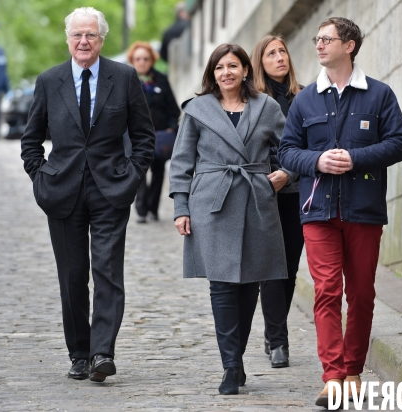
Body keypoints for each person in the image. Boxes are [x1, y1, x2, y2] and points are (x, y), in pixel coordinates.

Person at [278, 17, 402, 408]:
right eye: (317, 39)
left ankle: (354, 370)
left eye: (327, 39)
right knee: (326, 291)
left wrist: (354, 158)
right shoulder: (304, 100)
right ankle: (334, 376)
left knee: (362, 294)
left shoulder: (379, 95)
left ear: (349, 45)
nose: (319, 45)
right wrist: (317, 161)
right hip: (317, 211)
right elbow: (287, 152)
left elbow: (399, 142)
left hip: (363, 210)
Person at [20, 7, 155, 383]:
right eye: (77, 35)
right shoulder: (50, 81)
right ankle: (79, 353)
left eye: (91, 35)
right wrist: (40, 177)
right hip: (62, 192)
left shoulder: (125, 77)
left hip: (111, 189)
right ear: (68, 40)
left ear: (101, 39)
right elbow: (31, 141)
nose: (83, 41)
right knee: (73, 276)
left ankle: (101, 353)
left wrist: (132, 176)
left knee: (108, 273)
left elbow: (144, 137)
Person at [169, 43, 289, 395]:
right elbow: (181, 162)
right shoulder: (197, 109)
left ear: (246, 71)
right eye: (219, 67)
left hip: (255, 199)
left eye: (233, 66)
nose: (226, 73)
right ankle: (231, 365)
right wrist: (181, 207)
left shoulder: (267, 107)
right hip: (212, 203)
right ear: (212, 73)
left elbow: (290, 149)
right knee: (221, 285)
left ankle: (235, 358)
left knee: (250, 284)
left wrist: (284, 174)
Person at [251, 35, 303, 368]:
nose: (279, 57)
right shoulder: (253, 101)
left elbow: (311, 145)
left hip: (297, 193)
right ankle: (278, 339)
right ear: (260, 61)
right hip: (263, 195)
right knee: (271, 268)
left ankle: (273, 332)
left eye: (282, 51)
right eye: (271, 53)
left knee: (291, 269)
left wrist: (290, 173)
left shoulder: (305, 97)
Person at [127, 41, 180, 223]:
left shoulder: (161, 80)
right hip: (136, 137)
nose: (142, 62)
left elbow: (174, 109)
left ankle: (153, 209)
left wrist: (171, 128)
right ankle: (141, 209)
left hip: (160, 136)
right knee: (138, 173)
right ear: (132, 61)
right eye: (138, 59)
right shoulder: (128, 81)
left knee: (158, 172)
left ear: (152, 60)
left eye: (145, 59)